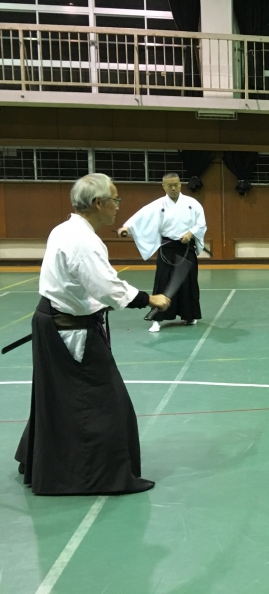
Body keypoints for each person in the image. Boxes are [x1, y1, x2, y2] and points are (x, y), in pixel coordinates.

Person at [15, 173, 171, 495]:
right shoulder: (83, 241)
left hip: (53, 320)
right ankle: (97, 477)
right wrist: (149, 298)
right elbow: (107, 287)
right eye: (115, 200)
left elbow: (85, 285)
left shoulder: (64, 229)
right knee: (104, 402)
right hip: (68, 328)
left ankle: (38, 461)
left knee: (58, 397)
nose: (118, 206)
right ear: (98, 203)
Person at [119, 172, 206, 333]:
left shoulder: (192, 203)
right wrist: (127, 228)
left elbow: (201, 224)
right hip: (167, 248)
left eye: (176, 185)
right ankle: (157, 320)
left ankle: (189, 316)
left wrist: (190, 233)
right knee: (163, 282)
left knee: (189, 283)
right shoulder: (158, 204)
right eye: (170, 185)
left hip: (186, 247)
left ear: (180, 184)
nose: (174, 188)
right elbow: (141, 217)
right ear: (163, 187)